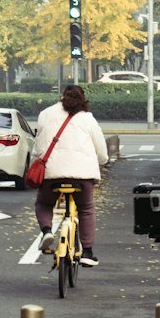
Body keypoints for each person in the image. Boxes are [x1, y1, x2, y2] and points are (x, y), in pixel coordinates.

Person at [33, 83, 108, 267]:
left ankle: (47, 231)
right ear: (83, 100)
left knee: (43, 203)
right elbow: (102, 152)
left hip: (52, 175)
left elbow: (38, 147)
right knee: (86, 208)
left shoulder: (46, 114)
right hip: (82, 176)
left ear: (62, 96)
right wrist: (101, 161)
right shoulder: (88, 119)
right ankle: (88, 252)